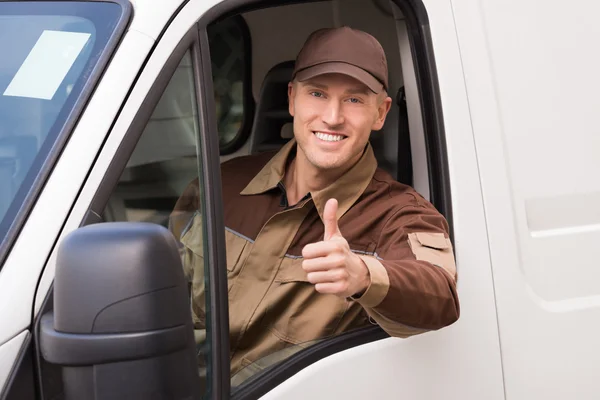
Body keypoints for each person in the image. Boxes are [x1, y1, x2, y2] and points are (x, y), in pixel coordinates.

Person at [169, 26, 459, 381]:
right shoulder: (219, 184)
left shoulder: (399, 214)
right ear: (292, 99)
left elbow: (440, 293)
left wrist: (363, 274)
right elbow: (161, 295)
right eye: (318, 94)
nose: (333, 116)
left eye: (354, 100)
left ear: (381, 113)